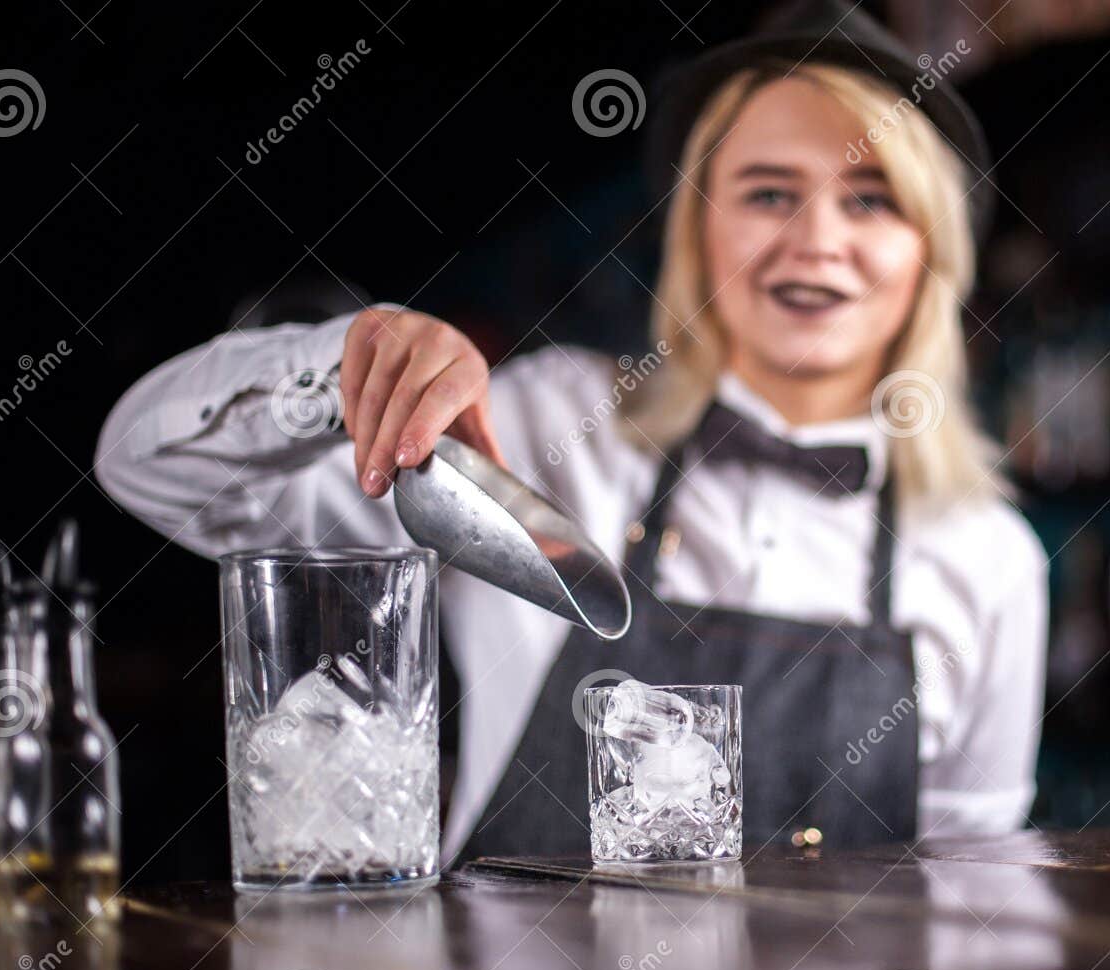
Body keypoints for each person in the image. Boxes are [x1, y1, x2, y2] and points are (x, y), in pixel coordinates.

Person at [95, 0, 1048, 862]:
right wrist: (346, 368)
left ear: (932, 247)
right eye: (767, 192)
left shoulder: (991, 559)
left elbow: (973, 894)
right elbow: (145, 465)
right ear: (698, 230)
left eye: (871, 198)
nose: (816, 239)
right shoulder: (545, 424)